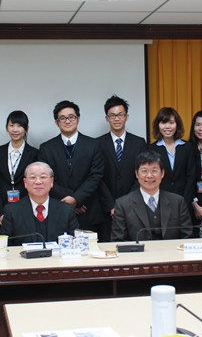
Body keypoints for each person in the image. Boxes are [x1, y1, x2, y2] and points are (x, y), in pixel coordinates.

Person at [38, 100, 106, 235]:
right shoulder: (46, 148)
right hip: (59, 209)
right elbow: (46, 178)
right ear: (56, 122)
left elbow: (96, 176)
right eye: (62, 118)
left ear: (78, 119)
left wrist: (76, 198)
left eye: (71, 117)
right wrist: (68, 199)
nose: (67, 121)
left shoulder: (93, 145)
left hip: (89, 210)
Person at [111, 150, 192, 242]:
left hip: (171, 254)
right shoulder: (123, 204)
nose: (149, 176)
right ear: (137, 174)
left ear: (162, 173)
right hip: (138, 255)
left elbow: (187, 237)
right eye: (144, 171)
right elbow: (118, 241)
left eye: (154, 171)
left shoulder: (178, 202)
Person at [97, 95, 147, 241]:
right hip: (106, 209)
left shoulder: (139, 143)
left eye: (120, 115)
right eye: (112, 115)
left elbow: (142, 175)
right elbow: (97, 177)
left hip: (134, 205)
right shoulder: (97, 144)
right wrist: (111, 206)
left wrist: (125, 203)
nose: (116, 119)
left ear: (127, 117)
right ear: (107, 118)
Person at [0, 161, 79, 245]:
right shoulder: (12, 211)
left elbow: (76, 243)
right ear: (25, 183)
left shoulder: (66, 210)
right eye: (33, 177)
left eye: (43, 177)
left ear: (51, 182)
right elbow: (4, 246)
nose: (38, 182)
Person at [0, 110, 39, 234]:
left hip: (26, 212)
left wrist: (24, 211)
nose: (15, 129)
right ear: (7, 128)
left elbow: (35, 184)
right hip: (1, 212)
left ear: (26, 129)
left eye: (19, 125)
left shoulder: (34, 153)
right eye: (11, 125)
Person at [149, 107, 196, 205]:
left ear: (177, 125)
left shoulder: (187, 147)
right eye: (163, 123)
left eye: (171, 123)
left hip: (184, 201)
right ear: (158, 125)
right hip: (160, 202)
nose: (167, 127)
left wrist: (185, 201)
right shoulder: (152, 149)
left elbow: (191, 176)